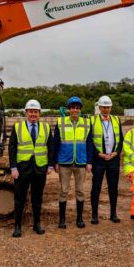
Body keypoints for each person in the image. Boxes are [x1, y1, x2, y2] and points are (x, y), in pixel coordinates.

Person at [9, 99, 54, 237]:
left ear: (39, 113)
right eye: (30, 111)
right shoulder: (18, 127)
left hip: (40, 169)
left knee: (37, 198)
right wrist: (13, 167)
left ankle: (37, 224)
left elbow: (51, 147)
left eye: (35, 112)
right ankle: (17, 226)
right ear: (26, 113)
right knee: (19, 198)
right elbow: (12, 148)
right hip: (22, 169)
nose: (33, 114)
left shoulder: (46, 128)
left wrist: (50, 165)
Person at [53, 96, 92, 229]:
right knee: (64, 191)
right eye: (72, 108)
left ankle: (79, 218)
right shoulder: (61, 122)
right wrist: (55, 161)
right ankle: (62, 219)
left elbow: (89, 143)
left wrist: (89, 162)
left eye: (77, 108)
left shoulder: (87, 123)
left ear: (80, 109)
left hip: (81, 162)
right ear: (68, 109)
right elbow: (56, 143)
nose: (75, 110)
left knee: (80, 191)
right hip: (64, 162)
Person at [88, 95, 124, 224]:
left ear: (111, 108)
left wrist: (116, 152)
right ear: (99, 107)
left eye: (108, 107)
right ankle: (94, 215)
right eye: (103, 107)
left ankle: (113, 213)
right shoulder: (92, 121)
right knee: (96, 187)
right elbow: (90, 141)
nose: (106, 110)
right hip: (99, 159)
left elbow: (121, 140)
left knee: (113, 187)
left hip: (113, 159)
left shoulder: (116, 120)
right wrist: (98, 154)